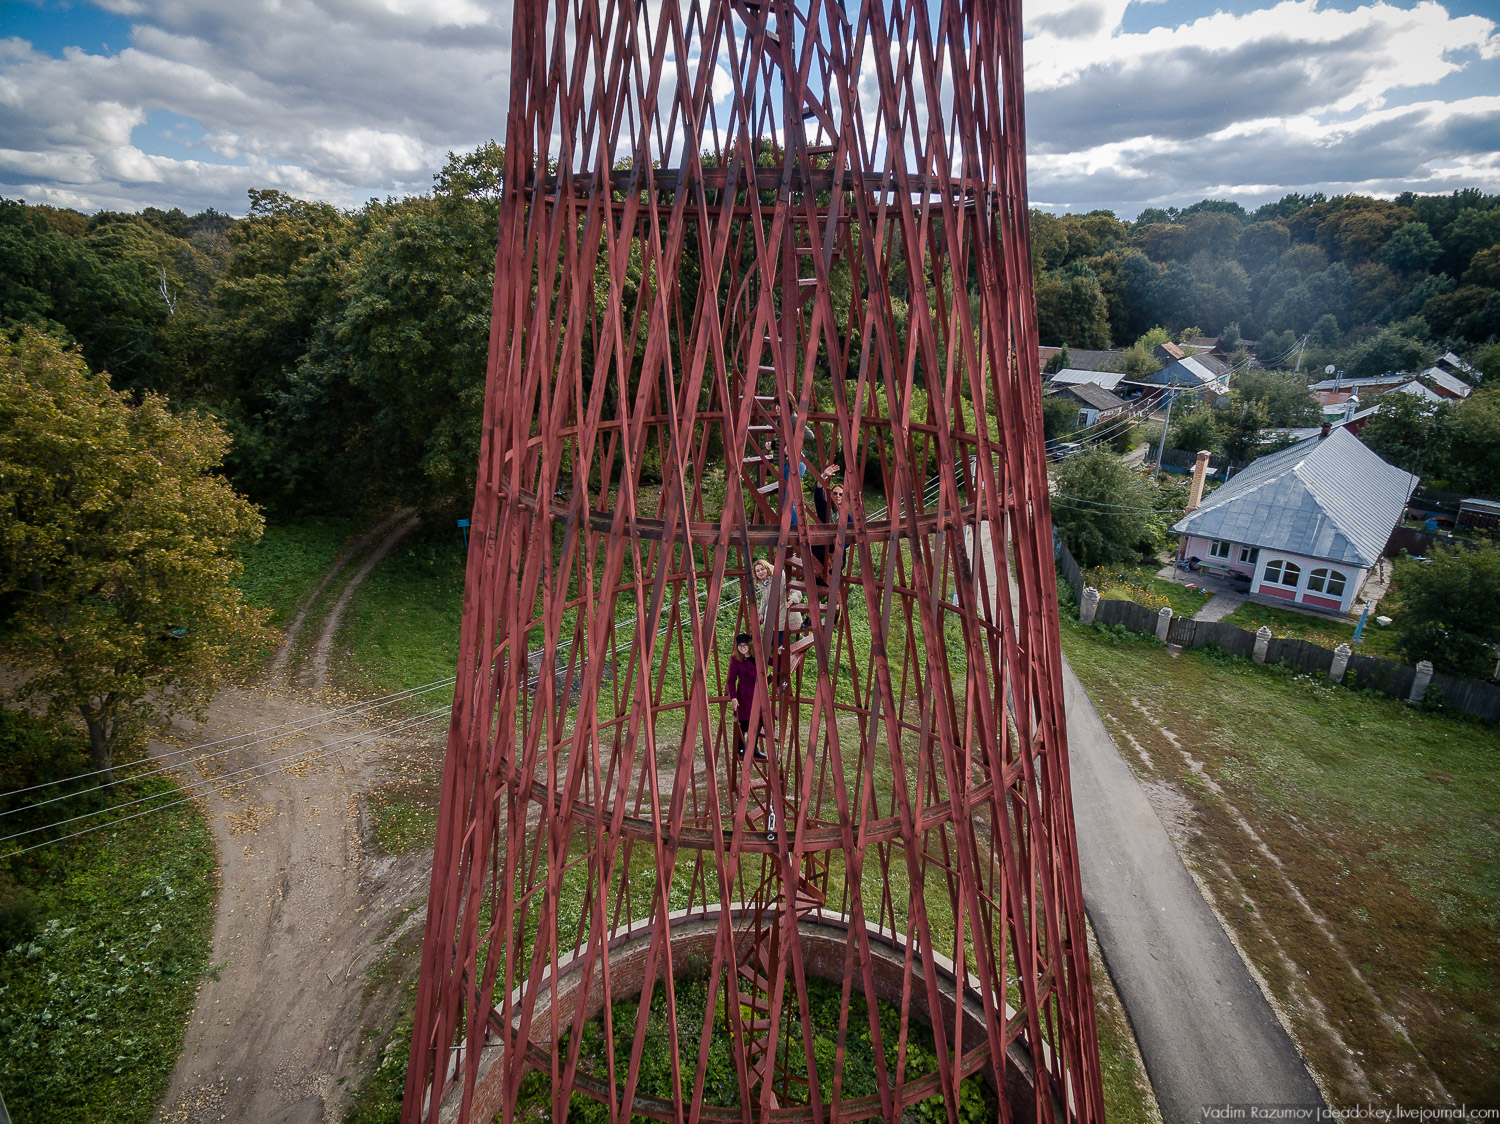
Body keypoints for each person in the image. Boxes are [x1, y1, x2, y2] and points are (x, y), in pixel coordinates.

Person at [812, 463, 854, 588]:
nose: (837, 496)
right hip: (819, 552)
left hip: (835, 555)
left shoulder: (848, 517)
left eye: (841, 494)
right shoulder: (824, 508)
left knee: (830, 585)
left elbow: (849, 538)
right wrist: (824, 476)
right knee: (816, 583)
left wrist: (838, 546)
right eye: (835, 493)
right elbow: (817, 493)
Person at [726, 634, 765, 760]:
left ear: (750, 645)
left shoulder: (757, 656)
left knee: (759, 720)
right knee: (743, 723)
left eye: (745, 645)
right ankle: (741, 748)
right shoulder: (736, 659)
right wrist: (733, 697)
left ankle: (754, 748)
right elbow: (731, 680)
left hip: (757, 694)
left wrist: (780, 653)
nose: (742, 648)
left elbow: (772, 661)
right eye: (740, 646)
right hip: (744, 694)